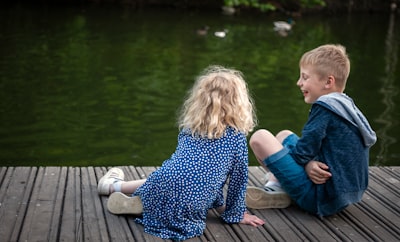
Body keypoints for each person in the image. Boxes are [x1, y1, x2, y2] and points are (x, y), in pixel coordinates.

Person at [97, 66, 265, 240]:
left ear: (200, 100)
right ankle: (143, 200)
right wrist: (235, 214)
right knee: (196, 181)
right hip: (192, 204)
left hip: (164, 183)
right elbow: (238, 180)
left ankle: (117, 188)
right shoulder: (236, 138)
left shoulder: (190, 129)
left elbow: (185, 167)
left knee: (165, 177)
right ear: (240, 104)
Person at [246, 44, 377, 217]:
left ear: (328, 82)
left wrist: (307, 165)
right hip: (344, 193)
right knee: (284, 135)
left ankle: (277, 186)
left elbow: (302, 154)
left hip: (320, 198)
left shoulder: (325, 108)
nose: (299, 82)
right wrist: (309, 163)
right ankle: (278, 184)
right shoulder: (345, 106)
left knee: (259, 138)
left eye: (305, 77)